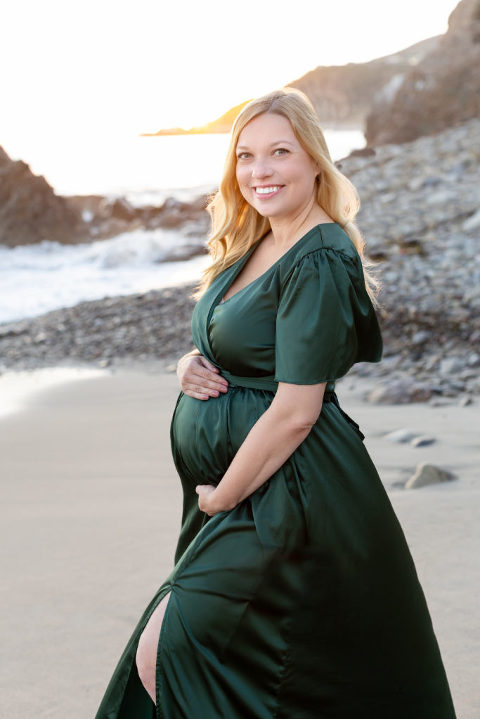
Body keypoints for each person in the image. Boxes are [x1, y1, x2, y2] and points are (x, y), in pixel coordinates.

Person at [95, 88, 457, 719]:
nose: (259, 171)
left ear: (315, 159)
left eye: (279, 152)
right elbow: (229, 341)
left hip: (285, 495)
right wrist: (187, 364)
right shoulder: (257, 239)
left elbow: (296, 410)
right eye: (246, 155)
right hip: (249, 491)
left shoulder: (317, 255)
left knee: (172, 650)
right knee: (249, 668)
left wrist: (224, 497)